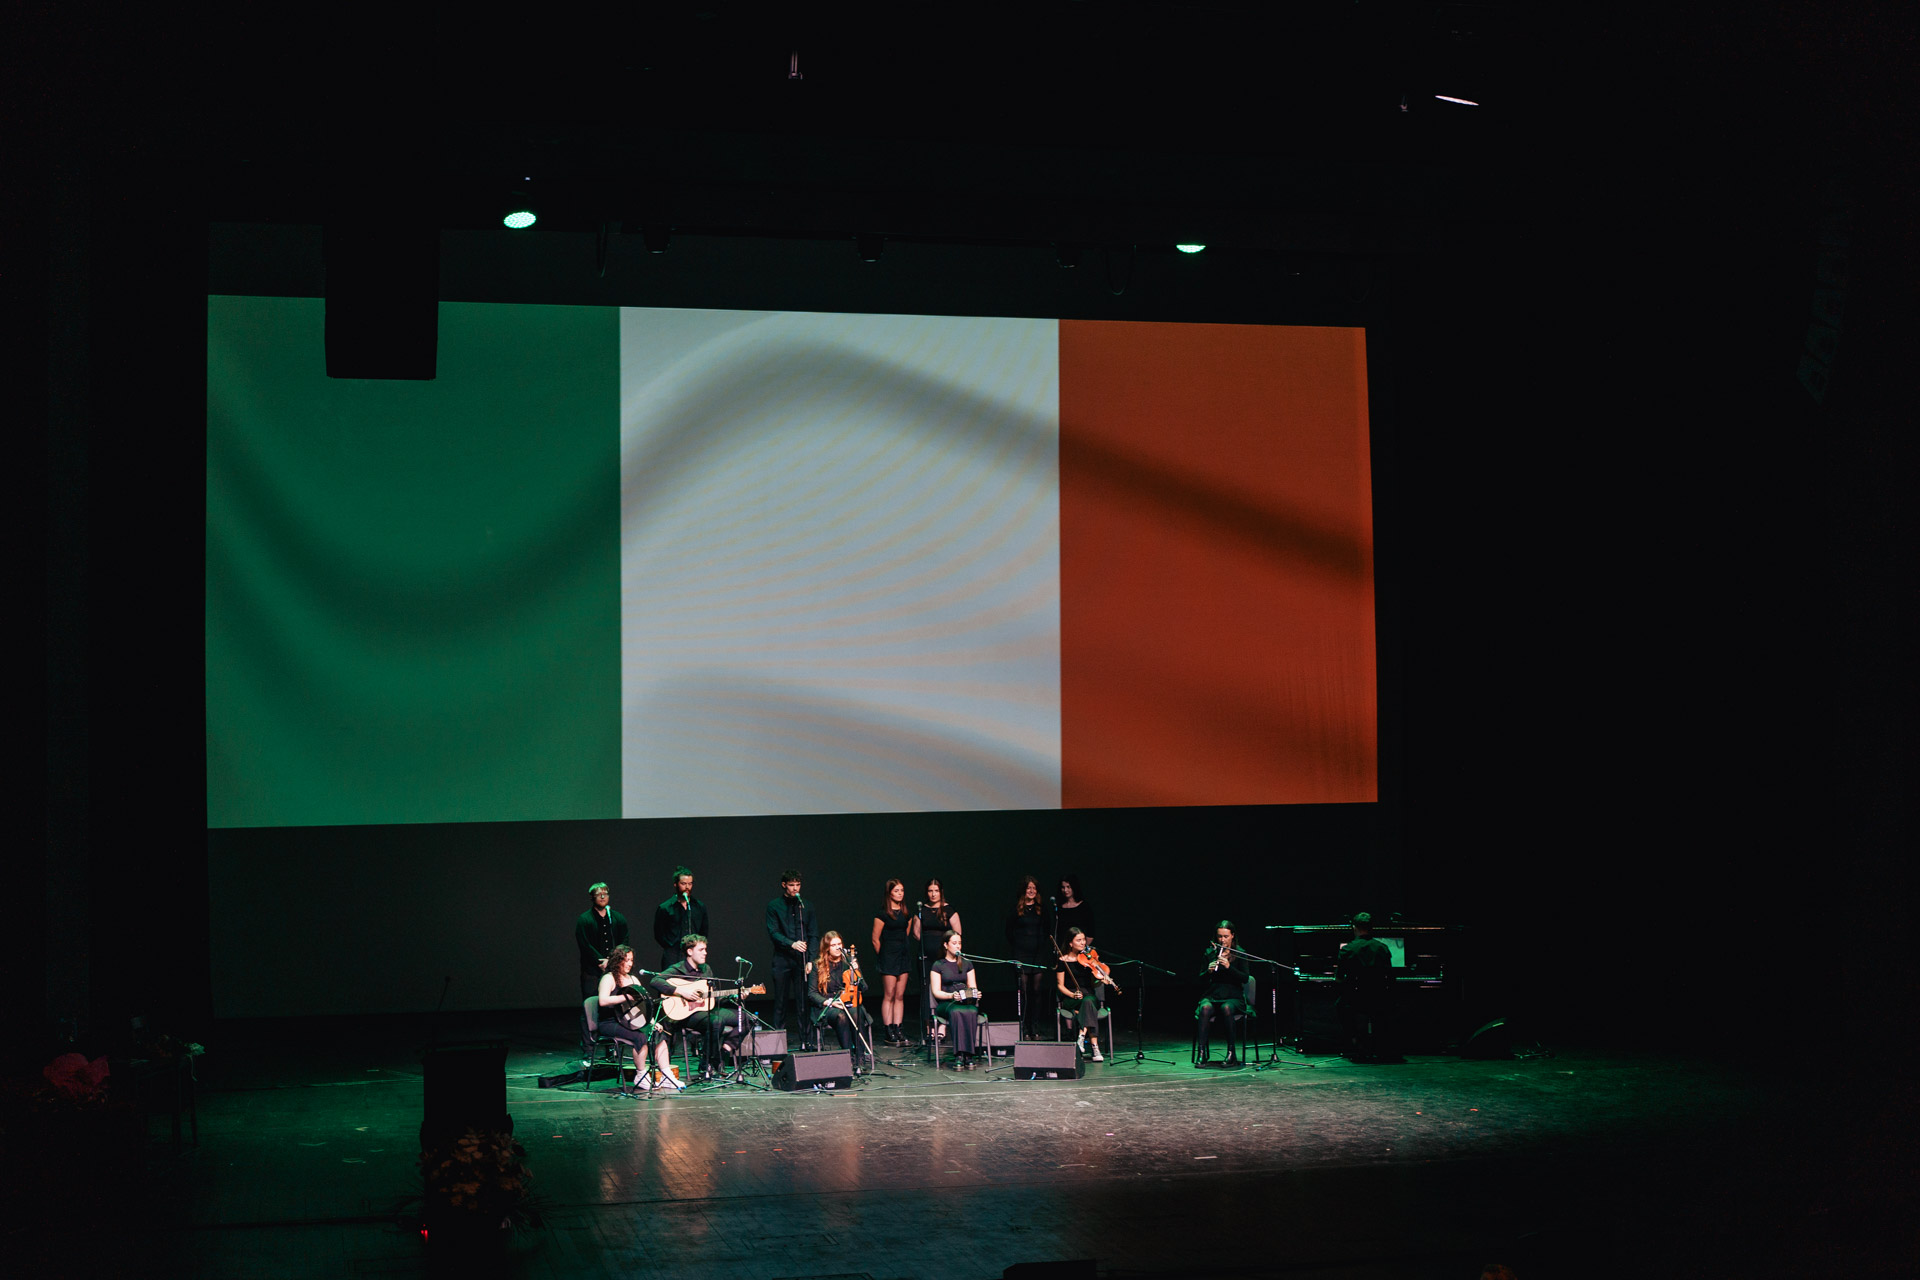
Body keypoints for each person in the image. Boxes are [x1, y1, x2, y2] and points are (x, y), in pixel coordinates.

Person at [647, 933, 747, 1082]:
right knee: (716, 1021)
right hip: (686, 1014)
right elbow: (655, 981)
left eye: (705, 949)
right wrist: (681, 991)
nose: (705, 953)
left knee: (746, 1018)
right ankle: (707, 1063)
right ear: (689, 951)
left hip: (706, 1009)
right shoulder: (678, 969)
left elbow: (712, 996)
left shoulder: (706, 969)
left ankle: (724, 1051)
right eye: (701, 950)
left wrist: (733, 996)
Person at [1336, 911, 1399, 1063]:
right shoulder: (1383, 948)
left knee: (1340, 1006)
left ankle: (1355, 1041)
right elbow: (1391, 978)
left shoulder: (1347, 949)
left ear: (1354, 928)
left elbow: (1339, 978)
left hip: (1356, 998)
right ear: (1372, 928)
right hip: (1379, 997)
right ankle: (1382, 1044)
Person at [593, 945, 655, 1096]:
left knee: (657, 1033)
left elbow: (643, 1004)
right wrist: (625, 997)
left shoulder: (633, 979)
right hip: (609, 1023)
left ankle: (665, 1074)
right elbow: (603, 1000)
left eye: (631, 960)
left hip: (628, 1020)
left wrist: (652, 1021)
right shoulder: (608, 978)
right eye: (626, 960)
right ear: (617, 961)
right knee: (639, 1037)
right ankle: (641, 1075)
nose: (629, 964)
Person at [764, 871, 818, 1031]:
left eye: (798, 885)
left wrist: (811, 960)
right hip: (782, 959)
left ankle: (806, 1039)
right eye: (791, 885)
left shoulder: (806, 906)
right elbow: (773, 932)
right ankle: (778, 1038)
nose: (795, 888)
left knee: (803, 1001)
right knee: (781, 1001)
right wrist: (791, 944)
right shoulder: (774, 906)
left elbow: (813, 934)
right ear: (784, 885)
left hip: (802, 960)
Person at [1195, 920, 1253, 1067]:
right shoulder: (1210, 953)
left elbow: (1245, 978)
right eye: (1220, 936)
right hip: (1213, 995)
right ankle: (1201, 1053)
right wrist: (1207, 971)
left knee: (1226, 1007)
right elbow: (1200, 979)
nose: (1222, 940)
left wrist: (1229, 967)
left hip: (1233, 996)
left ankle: (1231, 1053)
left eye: (1226, 936)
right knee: (1205, 1008)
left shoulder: (1240, 953)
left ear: (1232, 936)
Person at [808, 931, 873, 1063]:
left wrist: (856, 972)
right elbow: (812, 993)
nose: (838, 948)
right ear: (827, 948)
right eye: (833, 945)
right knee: (841, 1016)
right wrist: (829, 1002)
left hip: (848, 1001)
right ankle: (847, 1055)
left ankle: (860, 1055)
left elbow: (864, 987)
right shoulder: (817, 965)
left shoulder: (848, 962)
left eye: (839, 944)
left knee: (856, 1013)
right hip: (829, 1005)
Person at [870, 879, 918, 1046]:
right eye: (896, 890)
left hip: (903, 956)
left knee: (899, 995)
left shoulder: (906, 914)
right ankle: (888, 1029)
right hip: (888, 957)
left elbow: (905, 934)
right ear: (889, 893)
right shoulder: (882, 914)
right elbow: (875, 939)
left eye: (902, 890)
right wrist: (884, 956)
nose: (900, 893)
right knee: (889, 994)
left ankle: (898, 1028)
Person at [1055, 926, 1112, 1060]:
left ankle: (1081, 1036)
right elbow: (1060, 985)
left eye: (1083, 940)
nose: (1083, 943)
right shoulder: (1062, 961)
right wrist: (1072, 995)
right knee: (1088, 1005)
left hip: (1088, 996)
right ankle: (1095, 1048)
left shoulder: (1088, 960)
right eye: (1079, 940)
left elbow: (1093, 984)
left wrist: (1100, 980)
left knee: (1088, 1002)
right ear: (1070, 943)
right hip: (1071, 997)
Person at [929, 929, 983, 1069]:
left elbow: (972, 986)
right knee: (956, 1012)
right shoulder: (938, 965)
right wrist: (951, 996)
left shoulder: (967, 964)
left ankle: (969, 1054)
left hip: (964, 1002)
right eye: (954, 943)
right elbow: (936, 991)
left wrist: (975, 994)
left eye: (959, 943)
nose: (958, 946)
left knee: (972, 1011)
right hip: (946, 1003)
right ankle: (959, 1054)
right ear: (946, 945)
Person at [1005, 875, 1050, 1039]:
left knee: (1036, 991)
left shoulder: (1042, 909)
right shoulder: (1016, 909)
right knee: (1023, 990)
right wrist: (1020, 945)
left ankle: (1035, 1027)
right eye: (1028, 888)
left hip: (1037, 955)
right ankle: (1023, 1028)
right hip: (1021, 954)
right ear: (1024, 890)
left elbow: (1047, 930)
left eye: (1034, 888)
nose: (1031, 891)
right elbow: (1008, 931)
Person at [916, 880, 961, 1040]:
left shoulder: (949, 910)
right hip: (926, 958)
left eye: (936, 890)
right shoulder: (922, 911)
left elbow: (957, 934)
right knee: (926, 991)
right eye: (930, 890)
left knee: (944, 988)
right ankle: (930, 1028)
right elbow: (916, 933)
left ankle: (942, 1025)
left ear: (941, 892)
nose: (933, 894)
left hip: (944, 958)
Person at [576, 882, 631, 999]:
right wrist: (600, 961)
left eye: (605, 894)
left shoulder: (617, 918)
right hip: (592, 970)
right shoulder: (584, 919)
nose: (602, 897)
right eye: (598, 894)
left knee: (616, 999)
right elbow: (585, 944)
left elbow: (624, 940)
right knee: (592, 1000)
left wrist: (612, 959)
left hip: (615, 968)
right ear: (592, 897)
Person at [651, 865, 709, 971]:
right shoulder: (665, 908)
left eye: (690, 884)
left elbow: (704, 931)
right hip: (673, 956)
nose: (687, 887)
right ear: (676, 884)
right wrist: (671, 946)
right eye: (683, 884)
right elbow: (659, 933)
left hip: (694, 955)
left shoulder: (699, 907)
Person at [1054, 876, 1095, 953]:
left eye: (1068, 887)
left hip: (1080, 950)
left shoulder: (1084, 906)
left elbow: (1091, 931)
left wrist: (1081, 949)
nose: (1065, 890)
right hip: (1063, 950)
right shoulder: (1059, 907)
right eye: (1063, 887)